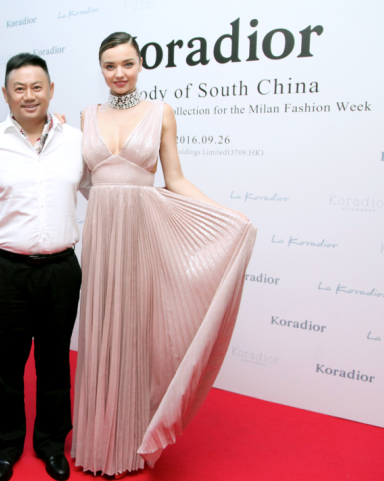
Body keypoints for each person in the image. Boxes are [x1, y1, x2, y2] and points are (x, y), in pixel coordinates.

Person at [70, 32, 257, 478]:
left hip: (140, 235)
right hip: (102, 235)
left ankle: (127, 445)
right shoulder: (85, 116)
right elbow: (82, 181)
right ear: (101, 69)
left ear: (140, 65)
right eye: (110, 65)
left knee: (134, 334)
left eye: (127, 64)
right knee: (100, 331)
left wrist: (226, 215)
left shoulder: (161, 113)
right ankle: (96, 441)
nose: (119, 73)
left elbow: (175, 180)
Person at [0, 53, 89, 481]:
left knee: (55, 363)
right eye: (20, 88)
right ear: (6, 94)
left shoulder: (76, 141)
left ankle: (51, 445)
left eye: (37, 87)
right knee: (4, 366)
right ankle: (6, 447)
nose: (30, 95)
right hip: (5, 271)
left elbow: (101, 191)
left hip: (61, 270)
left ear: (51, 90)